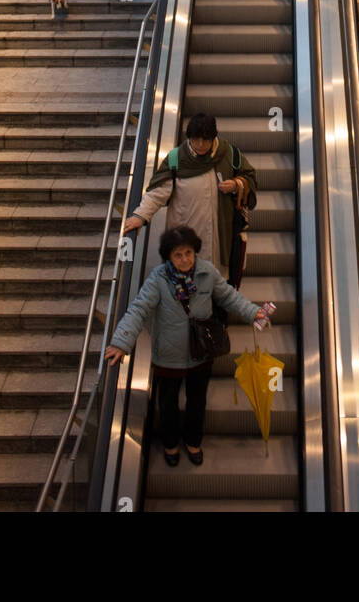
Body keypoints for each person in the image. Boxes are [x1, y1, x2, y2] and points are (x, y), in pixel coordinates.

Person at [104, 225, 274, 468]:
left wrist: (253, 312)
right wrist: (121, 342)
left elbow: (228, 296)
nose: (184, 260)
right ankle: (170, 443)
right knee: (168, 403)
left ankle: (194, 441)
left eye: (188, 253)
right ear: (168, 257)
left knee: (197, 401)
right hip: (168, 355)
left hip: (201, 351)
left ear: (195, 252)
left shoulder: (207, 272)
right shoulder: (158, 279)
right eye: (177, 255)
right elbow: (139, 309)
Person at [123, 113, 257, 279]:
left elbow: (250, 178)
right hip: (185, 236)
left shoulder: (229, 155)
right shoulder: (176, 159)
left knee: (216, 283)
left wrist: (237, 184)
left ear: (214, 137)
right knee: (185, 282)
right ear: (189, 138)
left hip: (220, 237)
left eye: (205, 140)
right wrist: (140, 216)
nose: (200, 145)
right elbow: (157, 193)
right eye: (195, 140)